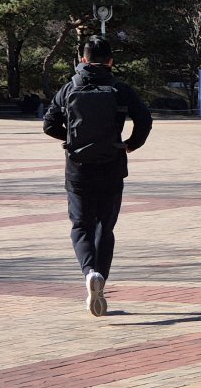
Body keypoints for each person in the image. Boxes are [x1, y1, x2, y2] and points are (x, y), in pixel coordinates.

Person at [43, 35, 152, 317]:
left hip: (78, 167)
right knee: (105, 225)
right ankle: (101, 275)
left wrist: (70, 139)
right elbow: (145, 118)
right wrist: (130, 143)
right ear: (110, 61)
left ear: (83, 59)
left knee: (81, 225)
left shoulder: (69, 88)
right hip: (111, 165)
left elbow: (49, 124)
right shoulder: (119, 89)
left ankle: (89, 272)